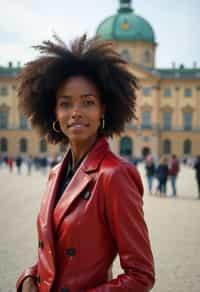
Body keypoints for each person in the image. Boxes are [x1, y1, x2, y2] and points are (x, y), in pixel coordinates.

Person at [16, 34, 155, 292]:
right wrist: (29, 277)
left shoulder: (116, 175)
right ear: (54, 113)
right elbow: (53, 249)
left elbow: (141, 275)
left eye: (88, 102)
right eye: (65, 103)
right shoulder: (56, 173)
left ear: (104, 109)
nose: (76, 112)